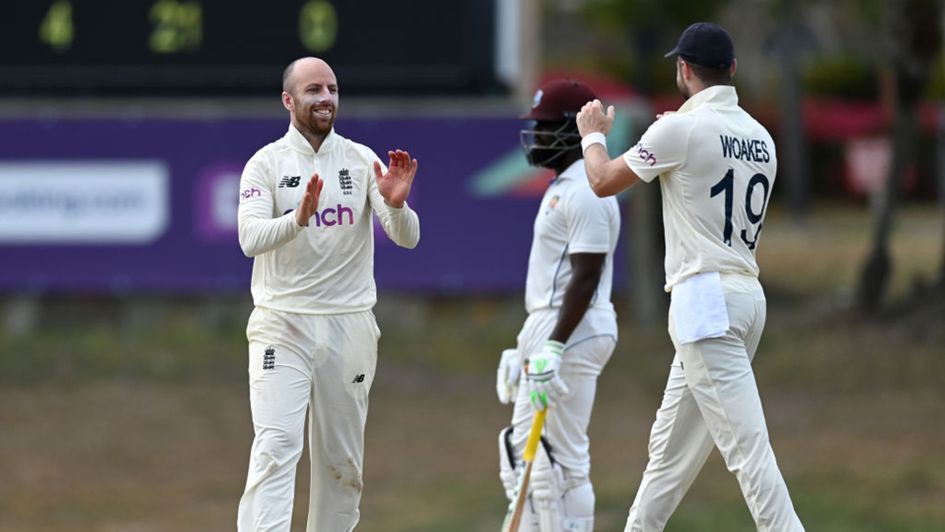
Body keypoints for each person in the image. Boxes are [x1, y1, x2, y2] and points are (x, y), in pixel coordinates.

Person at [575, 23, 804, 531]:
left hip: (705, 301)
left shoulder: (679, 128)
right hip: (746, 298)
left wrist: (593, 133)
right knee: (669, 452)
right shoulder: (760, 137)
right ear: (733, 71)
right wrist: (670, 129)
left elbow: (601, 180)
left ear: (683, 69)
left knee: (748, 453)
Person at [235, 57, 419, 532]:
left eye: (332, 89)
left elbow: (407, 237)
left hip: (349, 322)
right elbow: (250, 238)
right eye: (313, 89)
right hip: (283, 321)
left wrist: (397, 206)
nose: (326, 98)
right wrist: (297, 219)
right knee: (276, 448)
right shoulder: (266, 163)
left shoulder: (360, 159)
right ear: (288, 100)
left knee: (342, 464)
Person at [496, 78, 621, 531]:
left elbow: (586, 276)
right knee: (523, 457)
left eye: (547, 127)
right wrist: (526, 347)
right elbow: (557, 281)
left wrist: (553, 347)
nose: (538, 136)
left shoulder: (586, 190)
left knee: (560, 462)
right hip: (553, 327)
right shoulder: (564, 185)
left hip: (574, 330)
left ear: (573, 130)